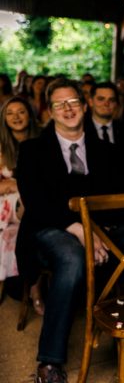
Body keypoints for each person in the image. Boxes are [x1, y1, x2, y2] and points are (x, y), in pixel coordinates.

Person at [16, 78, 124, 383]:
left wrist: (95, 228)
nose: (67, 109)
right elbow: (36, 203)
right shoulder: (32, 150)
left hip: (101, 225)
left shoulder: (107, 150)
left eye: (72, 102)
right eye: (59, 104)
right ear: (50, 111)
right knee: (71, 259)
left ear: (83, 107)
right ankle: (49, 361)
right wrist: (81, 230)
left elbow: (123, 195)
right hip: (50, 228)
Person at [0, 97, 41, 312]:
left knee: (31, 204)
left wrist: (14, 184)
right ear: (4, 119)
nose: (16, 117)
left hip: (31, 205)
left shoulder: (44, 142)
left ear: (30, 115)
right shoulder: (0, 147)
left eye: (21, 112)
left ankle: (35, 286)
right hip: (5, 209)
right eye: (10, 113)